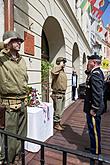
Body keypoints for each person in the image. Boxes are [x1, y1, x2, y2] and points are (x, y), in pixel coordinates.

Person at [0, 31, 28, 164]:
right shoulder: (1, 58)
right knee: (9, 137)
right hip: (9, 104)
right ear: (8, 42)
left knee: (22, 134)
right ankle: (8, 160)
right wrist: (4, 45)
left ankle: (18, 157)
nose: (20, 43)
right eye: (16, 40)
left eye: (20, 41)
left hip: (23, 102)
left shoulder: (21, 59)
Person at [83, 54, 105, 165]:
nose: (88, 64)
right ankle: (93, 147)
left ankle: (95, 153)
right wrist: (88, 71)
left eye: (89, 62)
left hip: (93, 108)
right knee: (92, 130)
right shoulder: (95, 72)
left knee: (94, 131)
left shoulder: (96, 74)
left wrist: (94, 108)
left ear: (94, 63)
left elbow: (97, 93)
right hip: (92, 106)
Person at [51, 57, 67, 131]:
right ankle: (56, 124)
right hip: (58, 94)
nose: (64, 64)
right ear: (59, 62)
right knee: (58, 110)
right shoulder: (56, 70)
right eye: (63, 62)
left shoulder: (62, 71)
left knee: (60, 110)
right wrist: (60, 66)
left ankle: (58, 122)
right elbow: (53, 72)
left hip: (62, 94)